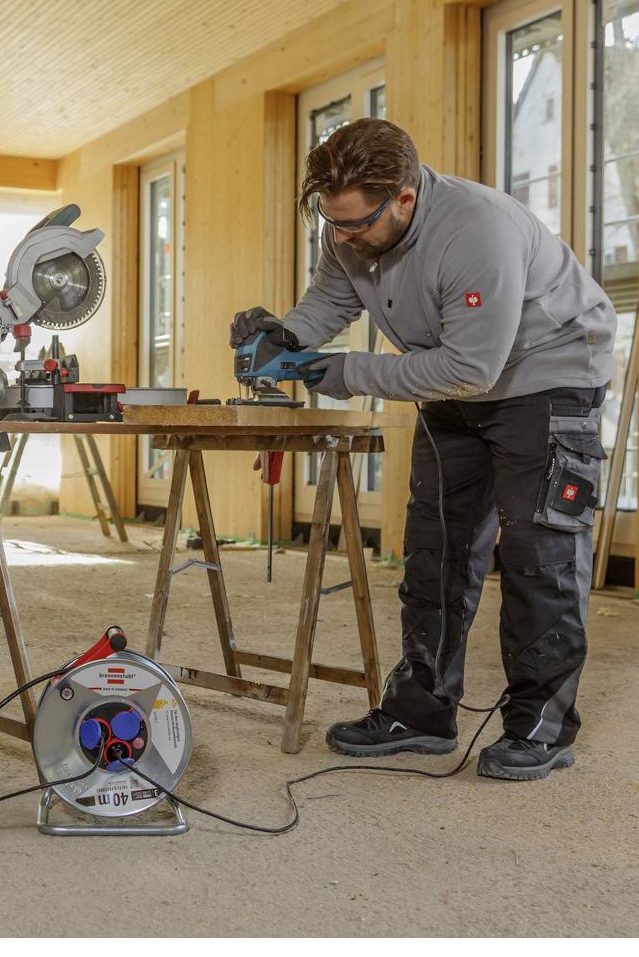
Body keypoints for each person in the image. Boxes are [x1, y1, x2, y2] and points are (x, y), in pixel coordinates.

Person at [229, 118, 616, 781]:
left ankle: (540, 727)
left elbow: (471, 369)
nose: (341, 236)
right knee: (435, 551)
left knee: (537, 554)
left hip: (545, 379)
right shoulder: (349, 221)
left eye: (354, 224)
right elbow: (332, 294)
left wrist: (345, 373)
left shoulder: (475, 230)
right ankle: (423, 710)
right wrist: (285, 334)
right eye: (332, 222)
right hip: (452, 378)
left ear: (403, 197)